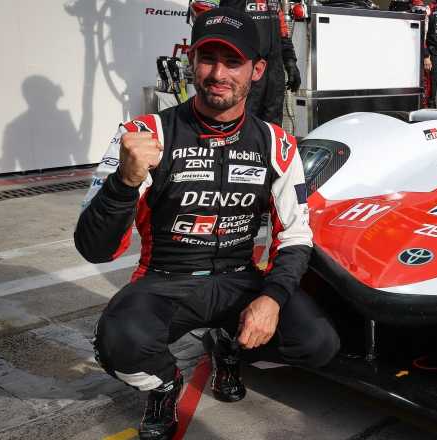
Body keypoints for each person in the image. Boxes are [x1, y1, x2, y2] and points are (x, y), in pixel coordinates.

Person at [75, 9, 338, 439]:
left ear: (257, 70)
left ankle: (228, 346)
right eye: (207, 58)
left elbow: (295, 235)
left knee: (317, 343)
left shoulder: (277, 143)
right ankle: (164, 383)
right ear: (191, 62)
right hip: (165, 281)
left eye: (232, 62)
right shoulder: (145, 132)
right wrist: (123, 183)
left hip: (240, 280)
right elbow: (95, 249)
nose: (218, 73)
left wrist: (271, 299)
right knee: (118, 343)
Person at [192, 0, 301, 125]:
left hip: (273, 74)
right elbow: (205, 16)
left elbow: (281, 27)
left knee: (271, 127)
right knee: (238, 125)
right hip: (241, 71)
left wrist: (290, 60)